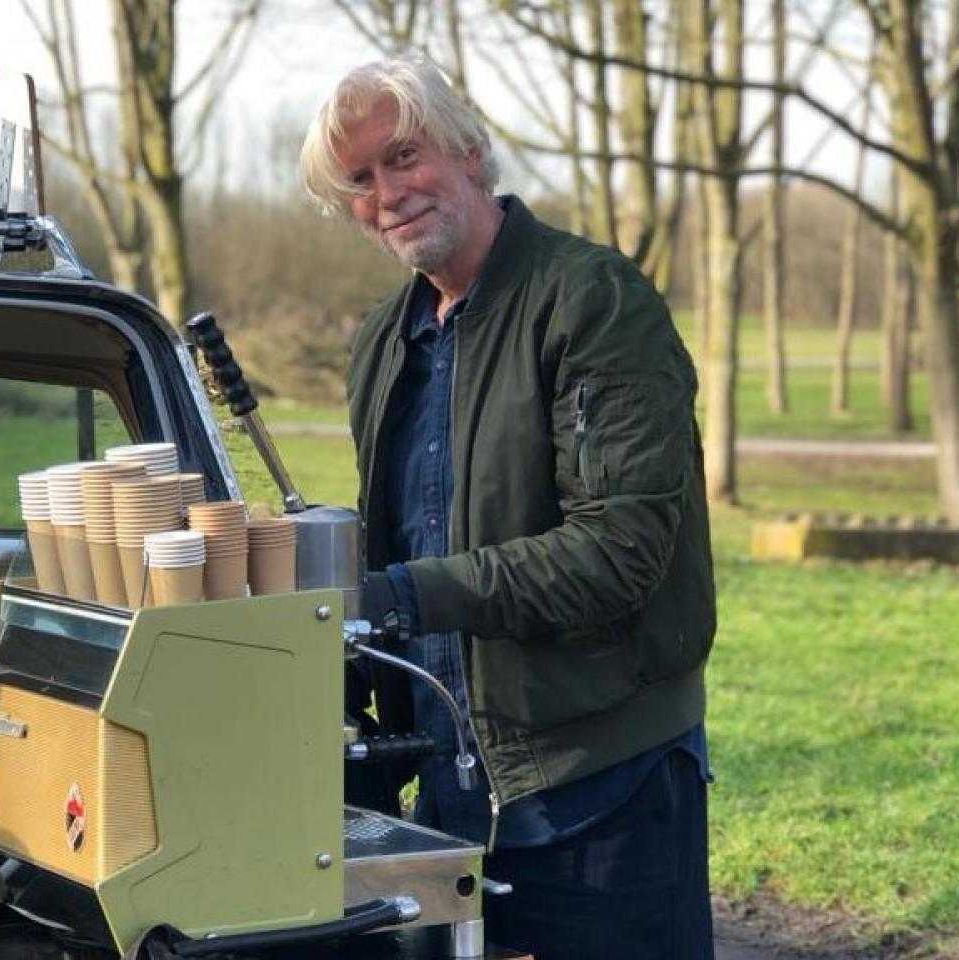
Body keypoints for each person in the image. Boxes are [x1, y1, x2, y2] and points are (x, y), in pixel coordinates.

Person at [300, 56, 718, 959]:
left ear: (470, 147)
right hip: (450, 785)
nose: (388, 194)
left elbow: (619, 550)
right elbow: (411, 526)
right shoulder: (384, 338)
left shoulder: (593, 300)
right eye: (361, 182)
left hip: (599, 785)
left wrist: (402, 594)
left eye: (403, 155)